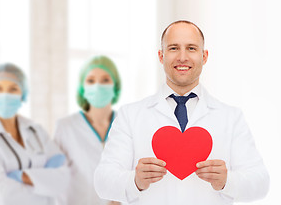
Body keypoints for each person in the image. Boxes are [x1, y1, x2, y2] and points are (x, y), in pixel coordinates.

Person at [94, 20, 270, 204]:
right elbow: (102, 182)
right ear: (161, 56)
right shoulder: (130, 115)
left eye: (192, 48)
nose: (182, 57)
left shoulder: (231, 117)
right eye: (173, 48)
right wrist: (134, 181)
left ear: (205, 56)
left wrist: (228, 181)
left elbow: (260, 183)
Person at [0, 63, 69, 205]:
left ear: (22, 94)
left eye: (13, 89)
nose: (5, 95)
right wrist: (44, 185)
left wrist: (20, 177)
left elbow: (62, 179)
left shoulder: (36, 130)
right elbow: (3, 195)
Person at [54, 55, 121, 205]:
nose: (98, 86)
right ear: (82, 87)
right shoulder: (66, 128)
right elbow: (56, 181)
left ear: (115, 86)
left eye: (105, 80)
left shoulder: (126, 124)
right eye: (91, 80)